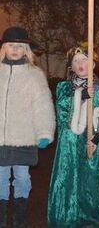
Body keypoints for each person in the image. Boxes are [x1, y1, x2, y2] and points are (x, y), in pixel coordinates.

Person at [47, 44, 99, 227]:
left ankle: (91, 219)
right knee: (68, 180)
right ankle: (66, 218)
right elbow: (64, 116)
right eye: (76, 61)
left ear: (93, 64)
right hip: (69, 145)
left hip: (92, 144)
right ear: (70, 67)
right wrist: (80, 96)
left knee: (90, 182)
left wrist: (96, 139)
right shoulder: (64, 88)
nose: (80, 64)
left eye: (84, 60)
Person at [0, 27, 55, 228]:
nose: (15, 49)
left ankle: (20, 215)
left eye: (20, 46)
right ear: (3, 48)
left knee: (22, 177)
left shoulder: (34, 75)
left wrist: (44, 132)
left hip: (24, 137)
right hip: (1, 139)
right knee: (1, 178)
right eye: (11, 45)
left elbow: (43, 105)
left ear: (26, 50)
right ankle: (3, 217)